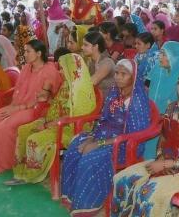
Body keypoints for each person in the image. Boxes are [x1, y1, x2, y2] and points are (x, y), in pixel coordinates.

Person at [112, 66, 179, 216]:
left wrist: (170, 164)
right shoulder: (173, 107)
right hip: (168, 160)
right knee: (122, 179)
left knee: (147, 194)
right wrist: (161, 157)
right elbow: (164, 136)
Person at [60, 59, 151, 216]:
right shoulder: (114, 93)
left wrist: (99, 144)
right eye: (116, 73)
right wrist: (92, 138)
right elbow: (103, 120)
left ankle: (89, 205)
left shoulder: (137, 102)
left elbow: (132, 135)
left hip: (124, 144)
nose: (118, 77)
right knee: (75, 148)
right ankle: (72, 197)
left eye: (124, 74)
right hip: (104, 135)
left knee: (90, 159)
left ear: (134, 77)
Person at [5, 53, 96, 185]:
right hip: (55, 122)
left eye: (63, 69)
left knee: (34, 139)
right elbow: (57, 106)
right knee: (23, 130)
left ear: (72, 70)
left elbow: (72, 118)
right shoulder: (67, 85)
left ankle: (31, 174)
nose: (60, 72)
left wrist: (48, 125)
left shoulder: (80, 91)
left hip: (70, 130)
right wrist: (48, 100)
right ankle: (20, 171)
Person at [0, 40, 62, 175]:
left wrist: (18, 109)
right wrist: (13, 106)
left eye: (27, 51)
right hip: (18, 105)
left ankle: (4, 163)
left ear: (38, 53)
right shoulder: (26, 68)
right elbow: (18, 90)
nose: (24, 54)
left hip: (37, 109)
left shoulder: (49, 71)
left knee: (5, 126)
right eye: (24, 51)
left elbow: (42, 99)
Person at [83, 31, 115, 96]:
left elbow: (92, 82)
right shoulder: (90, 61)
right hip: (95, 99)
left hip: (108, 102)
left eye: (85, 45)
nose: (82, 47)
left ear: (95, 46)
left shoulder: (107, 62)